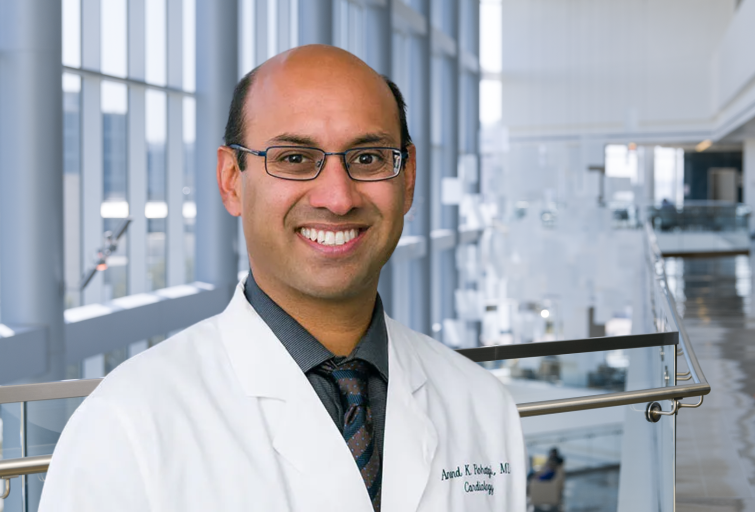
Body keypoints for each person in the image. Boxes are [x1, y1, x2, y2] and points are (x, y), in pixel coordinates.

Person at [39, 45, 526, 512]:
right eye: (294, 159)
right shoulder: (126, 425)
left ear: (408, 177)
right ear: (232, 179)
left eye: (369, 158)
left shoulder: (482, 404)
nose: (337, 198)